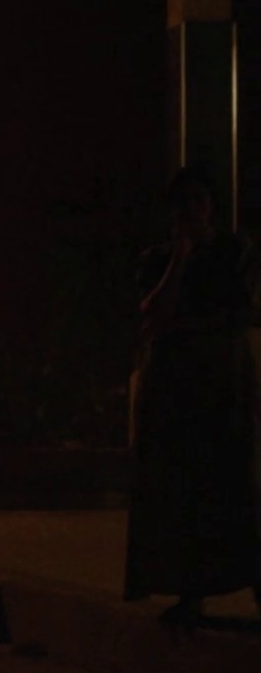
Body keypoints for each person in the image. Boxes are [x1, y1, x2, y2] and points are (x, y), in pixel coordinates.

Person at [126, 168, 259, 631]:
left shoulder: (232, 251)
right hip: (174, 386)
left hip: (221, 382)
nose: (191, 210)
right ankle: (190, 591)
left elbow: (238, 313)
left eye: (197, 200)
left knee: (232, 482)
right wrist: (179, 262)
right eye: (182, 203)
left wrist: (183, 327)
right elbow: (152, 313)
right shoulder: (157, 259)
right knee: (181, 486)